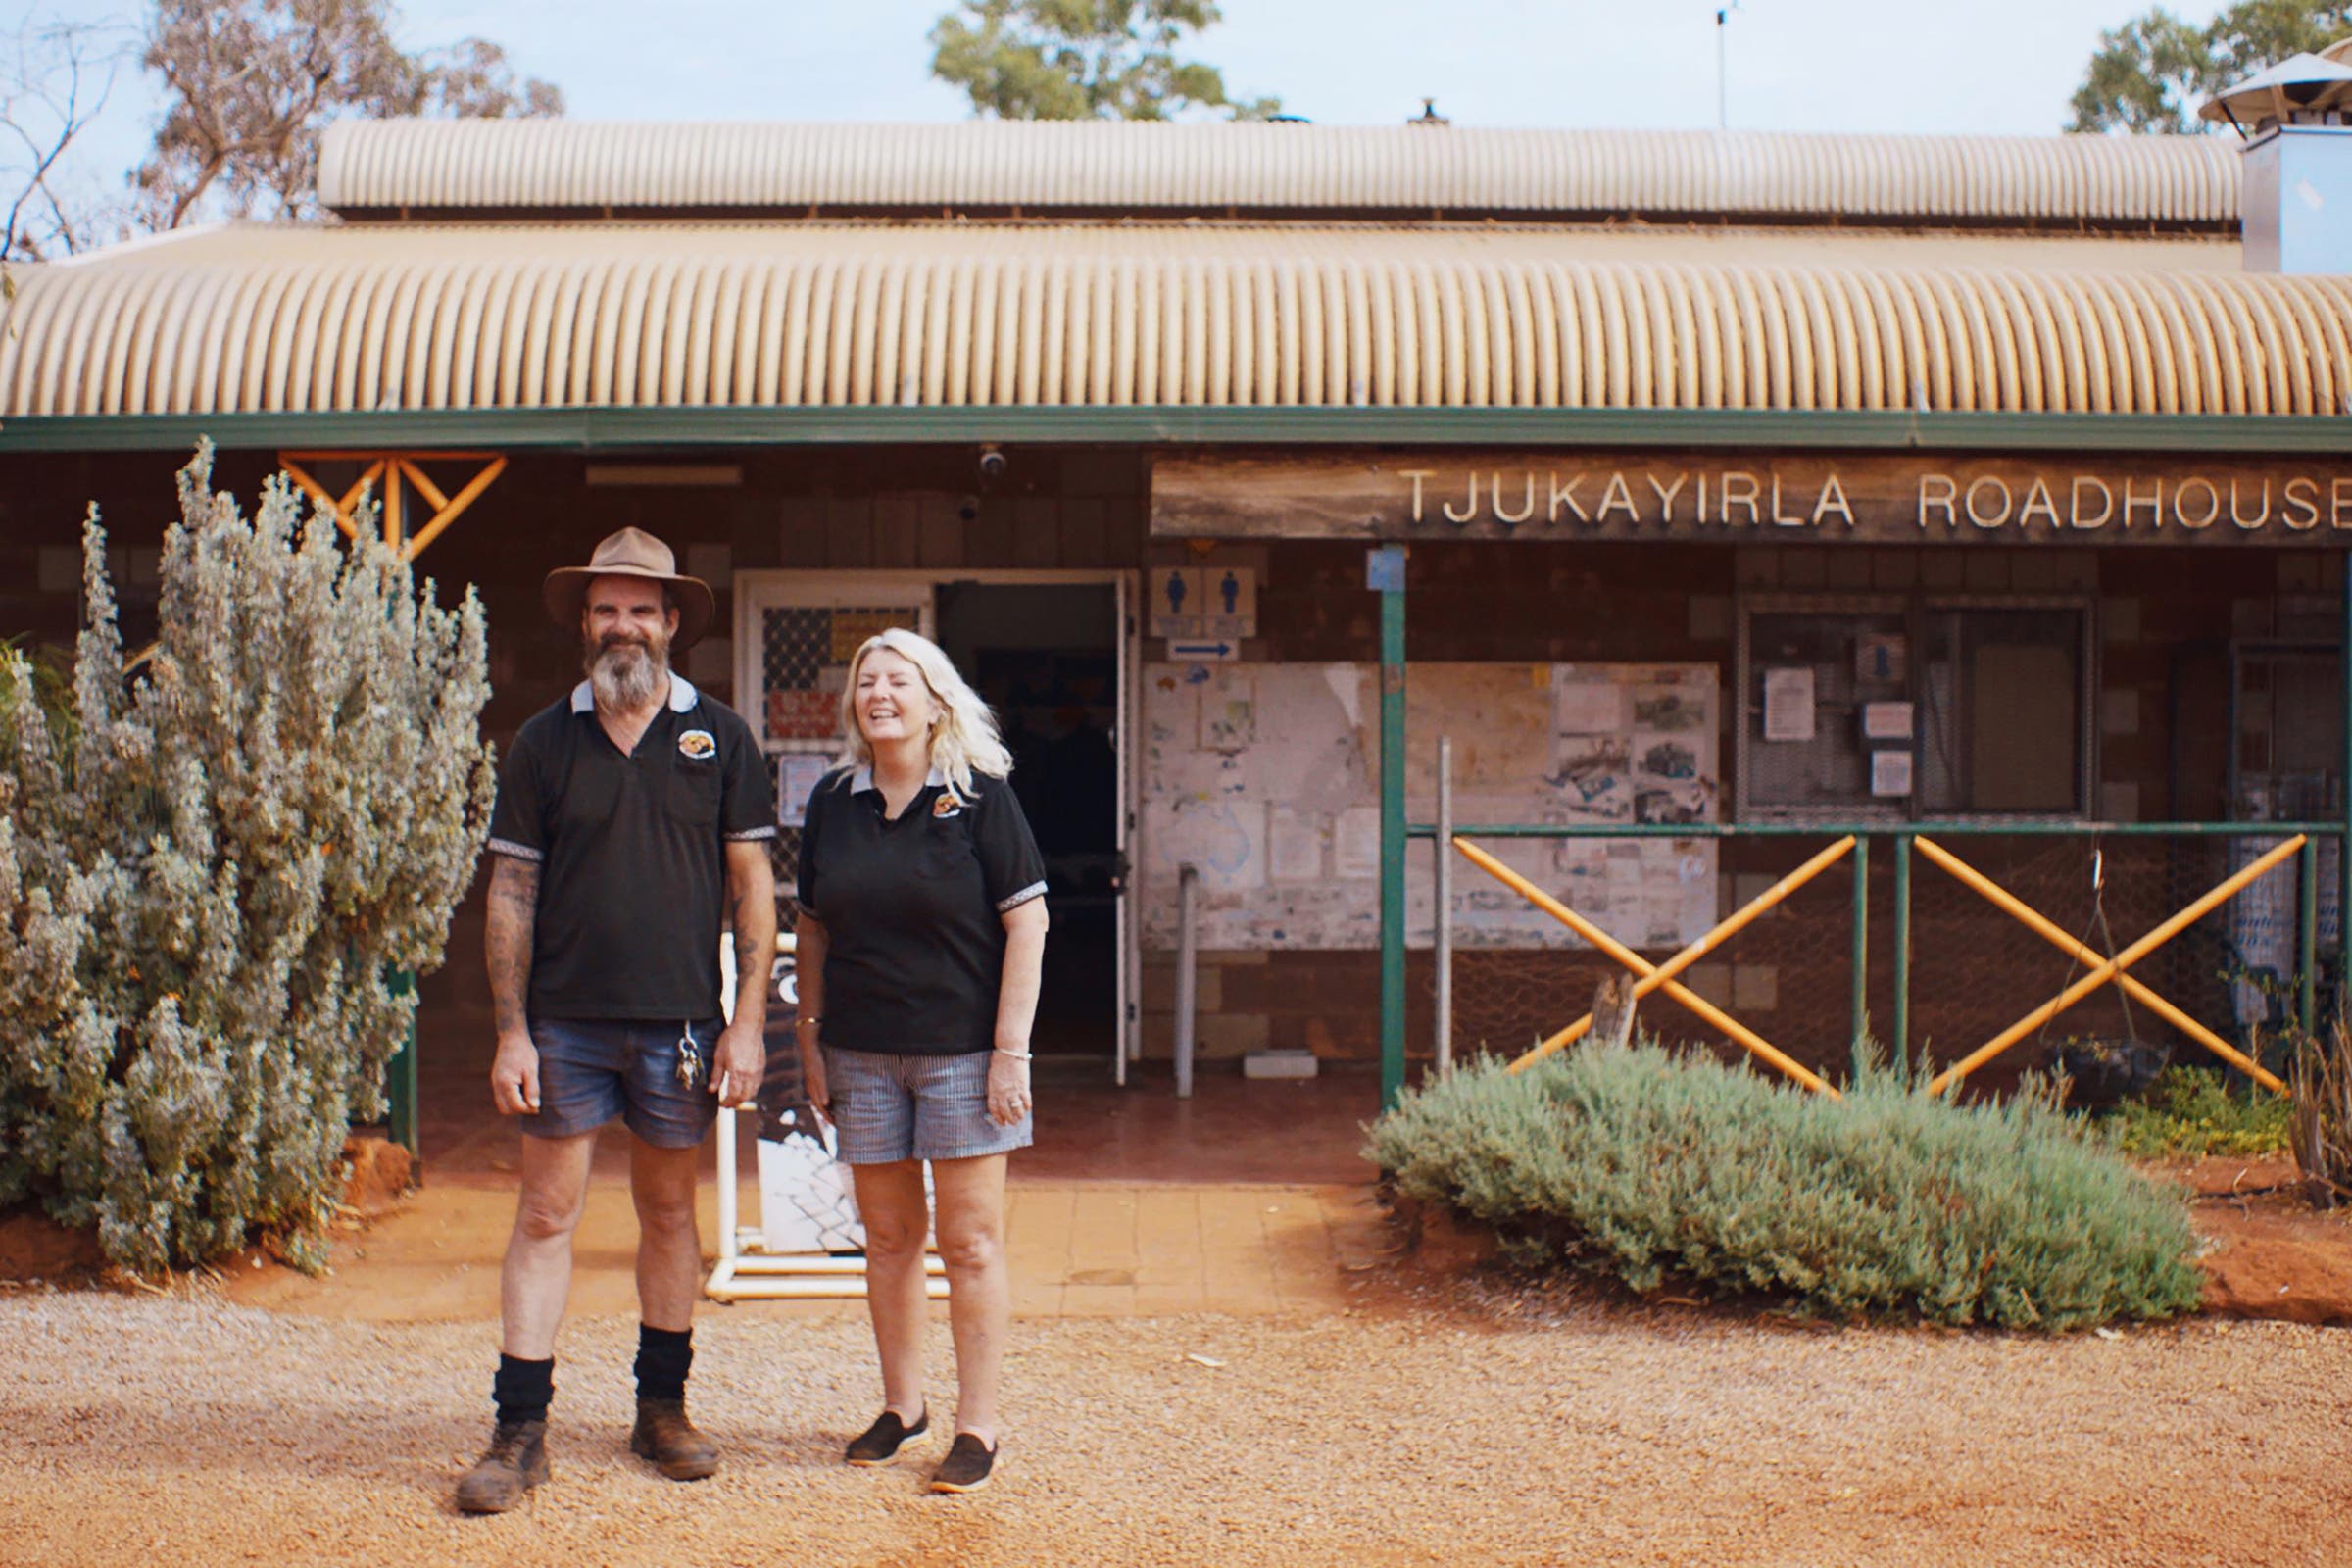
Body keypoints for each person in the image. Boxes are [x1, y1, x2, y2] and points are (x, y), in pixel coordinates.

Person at [454, 526, 777, 1513]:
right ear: (583, 623)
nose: (623, 624)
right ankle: (521, 1429)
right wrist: (511, 1029)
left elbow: (753, 886)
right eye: (607, 608)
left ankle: (662, 1409)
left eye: (643, 607)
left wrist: (748, 1021)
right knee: (546, 1215)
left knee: (671, 1213)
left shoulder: (721, 738)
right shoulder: (544, 741)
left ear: (673, 622)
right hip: (564, 1025)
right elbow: (510, 888)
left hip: (680, 1022)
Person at [794, 627, 1048, 1495]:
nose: (880, 695)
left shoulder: (981, 797)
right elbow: (814, 928)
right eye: (868, 682)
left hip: (964, 1057)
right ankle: (904, 1407)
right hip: (861, 1055)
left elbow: (1029, 922)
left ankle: (979, 1425)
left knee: (970, 1243)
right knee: (891, 1239)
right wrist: (810, 1041)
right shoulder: (834, 801)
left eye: (898, 681)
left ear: (937, 700)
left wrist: (1010, 1053)